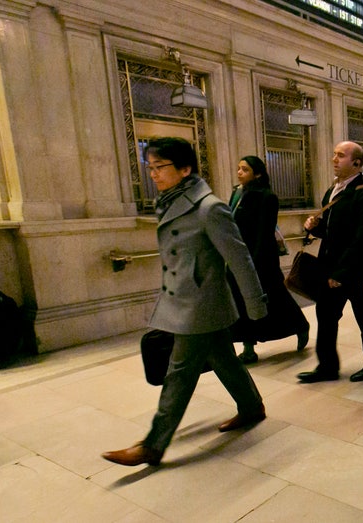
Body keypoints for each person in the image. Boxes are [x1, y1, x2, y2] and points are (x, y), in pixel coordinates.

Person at [102, 137, 268, 467]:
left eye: (160, 167)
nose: (153, 174)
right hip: (188, 302)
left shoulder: (209, 208)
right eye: (150, 167)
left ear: (185, 169)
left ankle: (153, 444)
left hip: (200, 306)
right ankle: (251, 407)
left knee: (179, 373)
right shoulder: (171, 202)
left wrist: (256, 304)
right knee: (224, 359)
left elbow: (240, 258)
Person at [297, 141, 363, 383]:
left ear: (356, 163)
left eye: (341, 155)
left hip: (355, 272)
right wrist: (315, 228)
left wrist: (341, 273)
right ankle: (327, 366)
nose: (334, 159)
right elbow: (332, 233)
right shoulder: (332, 191)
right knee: (325, 316)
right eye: (334, 154)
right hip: (330, 269)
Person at [228, 156, 309, 363]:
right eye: (238, 168)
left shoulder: (266, 197)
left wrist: (253, 263)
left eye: (244, 169)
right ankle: (248, 348)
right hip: (238, 258)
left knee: (276, 298)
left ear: (258, 174)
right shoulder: (236, 194)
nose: (239, 172)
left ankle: (300, 325)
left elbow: (264, 233)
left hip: (261, 259)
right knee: (240, 301)